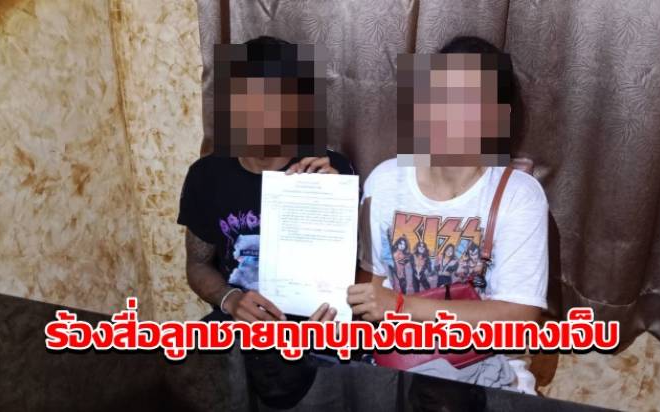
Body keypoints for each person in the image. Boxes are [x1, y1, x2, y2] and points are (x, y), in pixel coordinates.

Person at [349, 36, 548, 393]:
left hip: (488, 371)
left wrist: (401, 306)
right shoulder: (385, 180)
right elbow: (372, 286)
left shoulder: (519, 194)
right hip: (400, 365)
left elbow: (520, 318)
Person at [178, 36, 354, 324]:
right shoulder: (206, 175)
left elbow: (364, 270)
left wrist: (336, 199)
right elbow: (197, 265)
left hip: (317, 322)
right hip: (240, 322)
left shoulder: (331, 169)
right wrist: (230, 299)